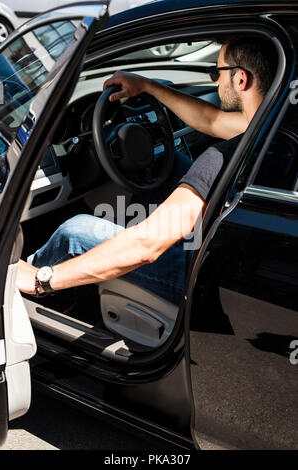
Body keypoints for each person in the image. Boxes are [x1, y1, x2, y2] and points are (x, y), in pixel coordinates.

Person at [16, 36, 277, 305]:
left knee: (75, 231)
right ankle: (115, 249)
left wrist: (42, 279)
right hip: (244, 258)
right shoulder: (272, 128)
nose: (215, 81)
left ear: (241, 79)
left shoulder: (219, 158)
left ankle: (17, 289)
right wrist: (146, 86)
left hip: (205, 279)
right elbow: (212, 120)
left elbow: (146, 246)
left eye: (216, 72)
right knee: (170, 163)